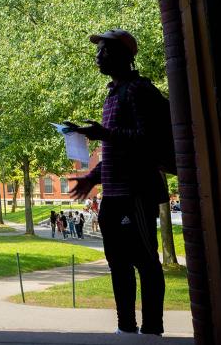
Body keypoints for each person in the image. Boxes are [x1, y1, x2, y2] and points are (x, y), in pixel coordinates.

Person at [68, 28, 171, 336]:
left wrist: (104, 134)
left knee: (146, 263)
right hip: (112, 196)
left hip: (135, 194)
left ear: (122, 56)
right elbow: (115, 152)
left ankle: (152, 330)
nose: (97, 57)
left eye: (103, 51)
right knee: (118, 264)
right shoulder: (113, 93)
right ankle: (125, 327)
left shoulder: (139, 90)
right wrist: (90, 178)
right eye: (98, 51)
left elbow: (148, 141)